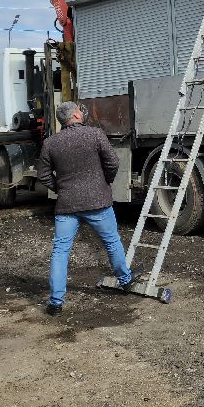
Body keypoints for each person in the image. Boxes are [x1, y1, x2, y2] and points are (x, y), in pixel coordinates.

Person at [37, 102, 140, 315]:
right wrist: (105, 183)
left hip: (66, 205)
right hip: (98, 202)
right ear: (75, 114)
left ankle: (56, 302)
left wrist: (61, 188)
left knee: (60, 251)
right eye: (78, 109)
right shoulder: (95, 134)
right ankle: (125, 281)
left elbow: (43, 175)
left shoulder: (50, 143)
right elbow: (113, 163)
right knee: (111, 242)